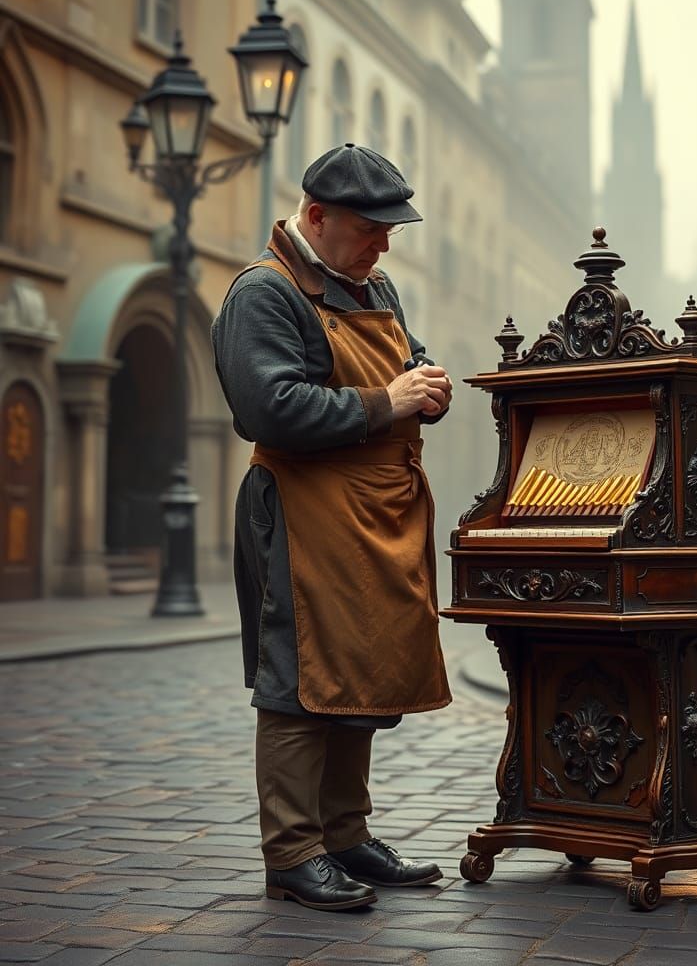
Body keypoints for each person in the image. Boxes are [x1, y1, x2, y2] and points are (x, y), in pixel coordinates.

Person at [211, 143, 454, 912]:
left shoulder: (371, 282)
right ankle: (292, 851)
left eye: (390, 229)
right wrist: (390, 402)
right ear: (315, 216)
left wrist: (430, 385)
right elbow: (269, 407)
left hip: (374, 507)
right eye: (370, 227)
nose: (385, 243)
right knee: (298, 674)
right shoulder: (265, 292)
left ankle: (346, 834)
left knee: (363, 667)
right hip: (302, 508)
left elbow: (407, 362)